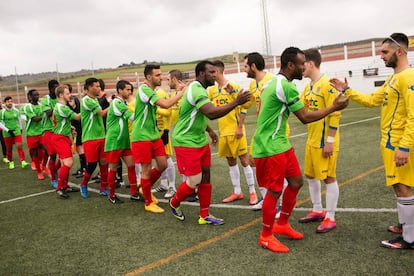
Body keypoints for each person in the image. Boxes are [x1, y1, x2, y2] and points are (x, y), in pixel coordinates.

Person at [254, 47, 348, 253]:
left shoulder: (278, 82)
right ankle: (266, 236)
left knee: (296, 181)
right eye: (301, 63)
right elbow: (305, 117)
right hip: (270, 146)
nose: (304, 66)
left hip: (280, 144)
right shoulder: (285, 86)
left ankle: (282, 224)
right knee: (275, 190)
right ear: (290, 65)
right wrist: (333, 108)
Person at [330, 33, 414, 249]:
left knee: (403, 187)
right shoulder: (393, 78)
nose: (381, 56)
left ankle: (410, 238)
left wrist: (404, 146)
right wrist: (346, 89)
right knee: (399, 187)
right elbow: (370, 101)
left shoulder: (408, 77)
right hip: (389, 142)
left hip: (398, 143)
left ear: (399, 51)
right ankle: (406, 225)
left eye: (385, 52)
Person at [168, 60, 251, 225]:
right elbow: (211, 113)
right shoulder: (197, 90)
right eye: (211, 72)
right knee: (194, 180)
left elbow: (198, 114)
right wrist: (236, 102)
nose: (215, 74)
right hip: (185, 141)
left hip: (199, 139)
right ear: (201, 74)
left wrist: (210, 132)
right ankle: (174, 202)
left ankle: (204, 215)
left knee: (206, 175)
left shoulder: (201, 89)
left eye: (215, 72)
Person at [298, 48, 342, 233]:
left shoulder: (328, 84)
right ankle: (317, 209)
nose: (301, 67)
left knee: (329, 177)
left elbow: (335, 114)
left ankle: (330, 217)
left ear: (310, 63)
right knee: (310, 175)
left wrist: (330, 141)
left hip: (325, 141)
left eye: (302, 64)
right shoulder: (308, 86)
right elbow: (300, 107)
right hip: (312, 140)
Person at [130, 64, 184, 213]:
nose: (161, 78)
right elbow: (166, 105)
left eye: (161, 74)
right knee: (146, 169)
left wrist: (177, 93)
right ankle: (148, 202)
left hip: (153, 135)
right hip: (141, 137)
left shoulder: (151, 91)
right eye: (157, 75)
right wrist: (181, 92)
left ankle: (144, 187)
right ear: (148, 77)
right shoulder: (144, 90)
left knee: (163, 164)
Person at [207, 60, 257, 205]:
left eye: (212, 72)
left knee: (244, 160)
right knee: (230, 161)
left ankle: (252, 192)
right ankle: (237, 192)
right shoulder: (212, 91)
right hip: (224, 132)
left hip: (236, 130)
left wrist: (240, 127)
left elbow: (243, 107)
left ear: (217, 71)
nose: (210, 74)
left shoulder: (233, 86)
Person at [243, 52, 276, 210]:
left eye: (245, 66)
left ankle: (278, 204)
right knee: (253, 160)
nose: (244, 70)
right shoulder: (252, 85)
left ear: (253, 66)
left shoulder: (272, 81)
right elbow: (247, 104)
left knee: (273, 168)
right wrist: (233, 95)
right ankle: (265, 198)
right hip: (261, 130)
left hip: (274, 131)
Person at [104, 80, 140, 204]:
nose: (129, 92)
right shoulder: (117, 103)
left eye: (130, 90)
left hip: (123, 141)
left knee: (131, 165)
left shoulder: (121, 102)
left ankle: (134, 193)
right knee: (113, 168)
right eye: (127, 89)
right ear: (120, 90)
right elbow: (133, 117)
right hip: (114, 141)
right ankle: (111, 195)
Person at [79, 77, 109, 198]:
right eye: (96, 86)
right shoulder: (86, 100)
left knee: (104, 162)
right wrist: (114, 104)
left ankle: (103, 187)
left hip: (101, 136)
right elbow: (101, 113)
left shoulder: (95, 100)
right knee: (91, 164)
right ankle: (83, 184)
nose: (99, 88)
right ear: (90, 88)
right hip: (90, 138)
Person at [51, 85, 81, 198]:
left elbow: (61, 121)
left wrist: (70, 128)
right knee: (68, 163)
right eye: (67, 93)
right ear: (60, 95)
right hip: (59, 138)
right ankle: (60, 188)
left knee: (65, 163)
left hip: (61, 137)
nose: (70, 95)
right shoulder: (62, 107)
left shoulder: (61, 106)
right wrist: (89, 110)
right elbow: (77, 117)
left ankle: (64, 186)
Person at [151, 86, 177, 198]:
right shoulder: (151, 93)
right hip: (155, 131)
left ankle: (172, 186)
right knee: (159, 158)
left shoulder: (160, 93)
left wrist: (166, 130)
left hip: (162, 131)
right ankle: (163, 183)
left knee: (166, 157)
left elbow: (168, 111)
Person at [25, 89, 48, 180]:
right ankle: (39, 172)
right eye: (35, 95)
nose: (37, 97)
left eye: (38, 95)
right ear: (30, 97)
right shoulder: (28, 107)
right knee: (35, 154)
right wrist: (46, 115)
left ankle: (44, 166)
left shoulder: (41, 105)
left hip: (41, 133)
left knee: (47, 151)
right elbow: (35, 119)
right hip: (31, 134)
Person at [0, 96, 28, 169]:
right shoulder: (2, 112)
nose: (10, 103)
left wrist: (21, 129)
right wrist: (8, 130)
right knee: (9, 149)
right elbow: (0, 123)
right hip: (7, 133)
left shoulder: (16, 110)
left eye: (11, 101)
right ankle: (11, 162)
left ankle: (23, 161)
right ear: (5, 103)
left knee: (19, 146)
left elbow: (19, 120)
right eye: (8, 101)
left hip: (16, 131)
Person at [41, 79, 60, 187]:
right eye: (55, 88)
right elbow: (48, 113)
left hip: (59, 130)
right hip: (49, 131)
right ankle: (53, 178)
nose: (57, 89)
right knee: (52, 156)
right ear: (50, 89)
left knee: (65, 156)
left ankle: (54, 170)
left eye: (58, 87)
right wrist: (60, 107)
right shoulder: (46, 99)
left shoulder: (59, 98)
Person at [67, 83, 86, 178]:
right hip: (77, 125)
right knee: (79, 147)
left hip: (77, 126)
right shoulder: (74, 98)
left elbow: (75, 112)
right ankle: (83, 168)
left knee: (80, 147)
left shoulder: (71, 99)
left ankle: (84, 168)